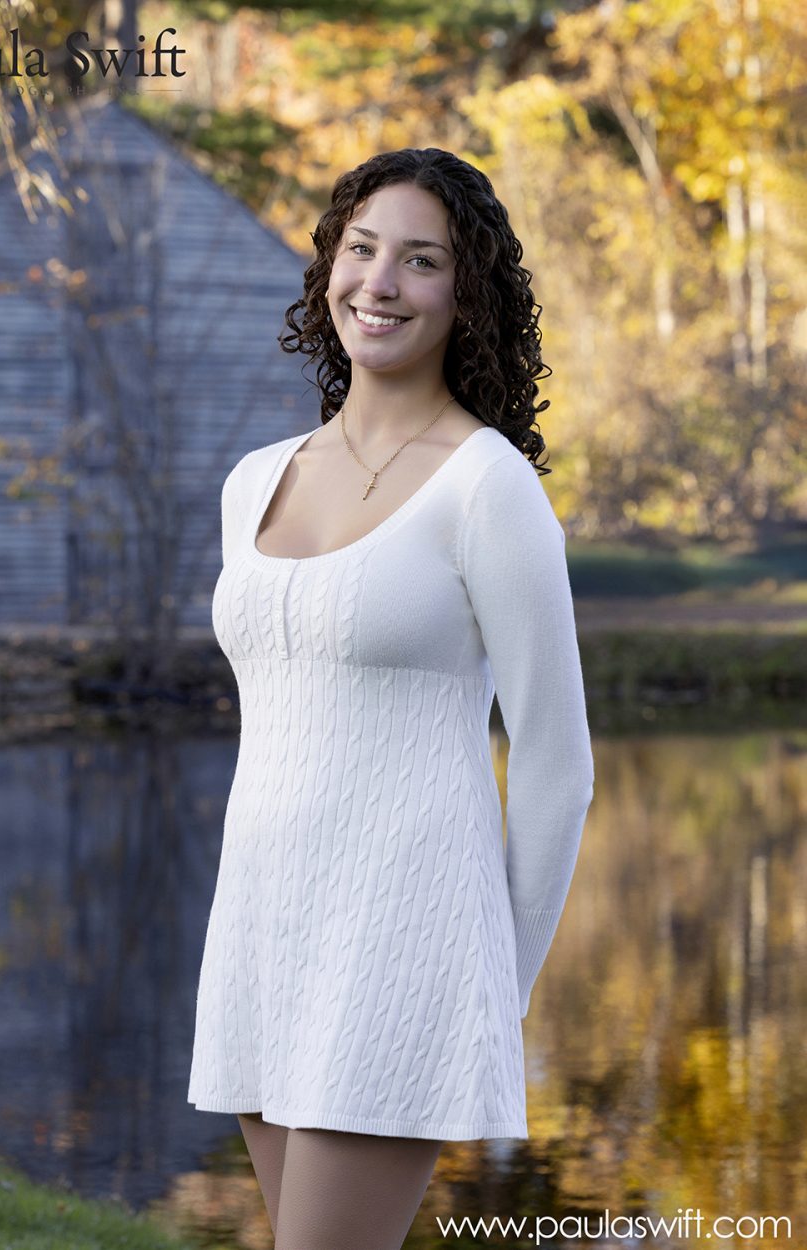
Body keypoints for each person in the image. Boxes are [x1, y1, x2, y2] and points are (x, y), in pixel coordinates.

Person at [187, 147, 595, 1250]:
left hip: (404, 943)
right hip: (263, 932)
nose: (380, 282)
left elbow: (557, 762)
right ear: (329, 266)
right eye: (362, 249)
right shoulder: (253, 481)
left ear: (465, 298)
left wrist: (490, 989)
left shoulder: (486, 484)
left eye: (421, 261)